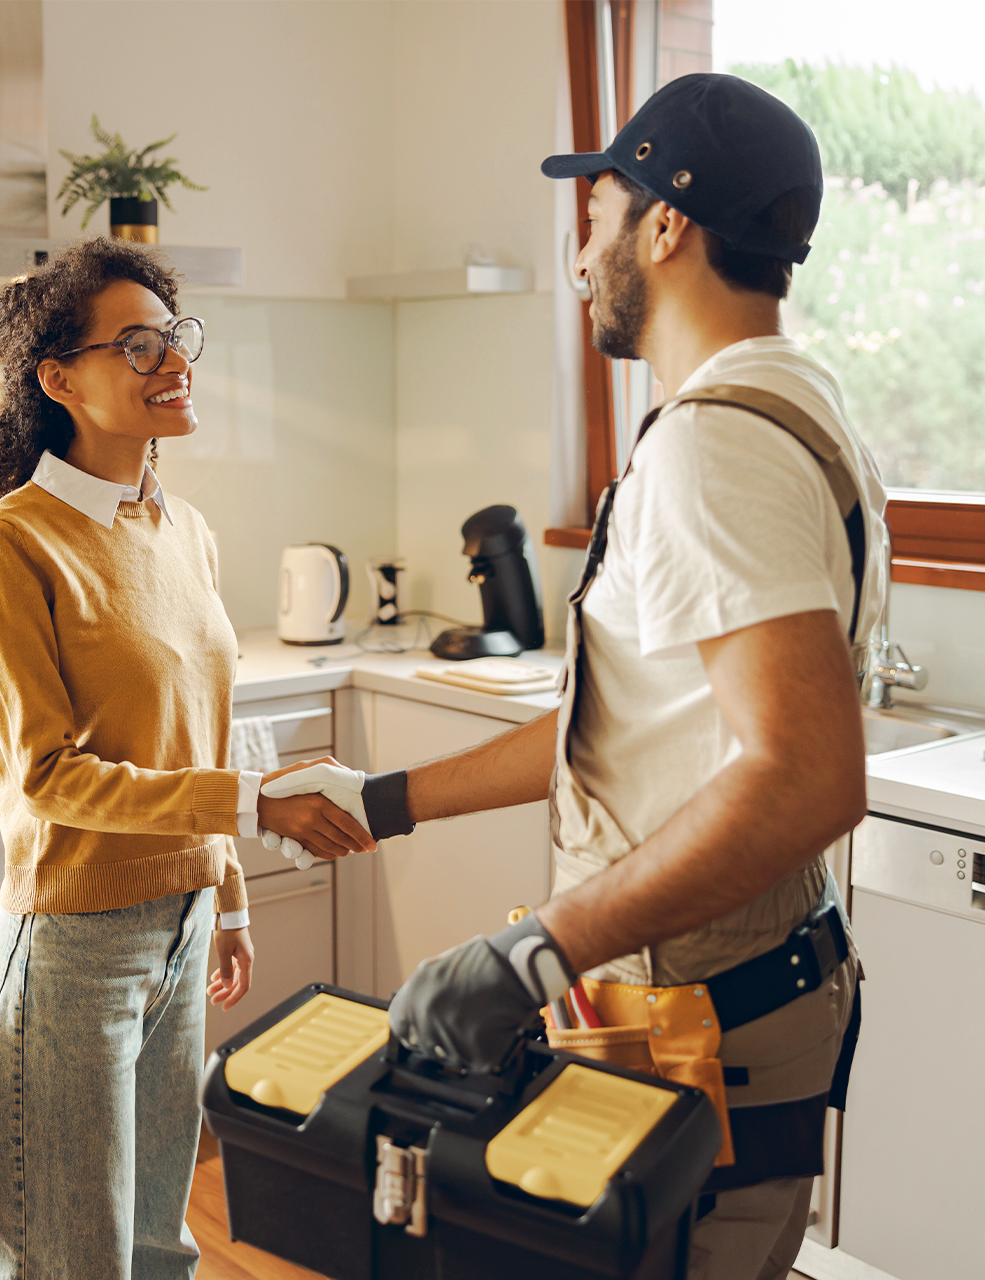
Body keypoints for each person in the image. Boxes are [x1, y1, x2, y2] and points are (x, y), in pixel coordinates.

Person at [261, 74, 887, 1280]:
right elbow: (627, 730)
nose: (581, 253)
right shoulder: (801, 407)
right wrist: (383, 798)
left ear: (667, 228)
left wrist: (530, 950)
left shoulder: (712, 446)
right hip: (733, 987)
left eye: (598, 214)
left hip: (706, 1003)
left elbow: (805, 776)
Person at [0, 238, 373, 1280]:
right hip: (71, 944)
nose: (172, 361)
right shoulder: (13, 540)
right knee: (68, 1254)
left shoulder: (183, 527)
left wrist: (225, 898)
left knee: (158, 1240)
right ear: (59, 380)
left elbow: (210, 721)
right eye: (136, 346)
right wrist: (252, 807)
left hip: (183, 924)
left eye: (175, 337)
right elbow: (47, 776)